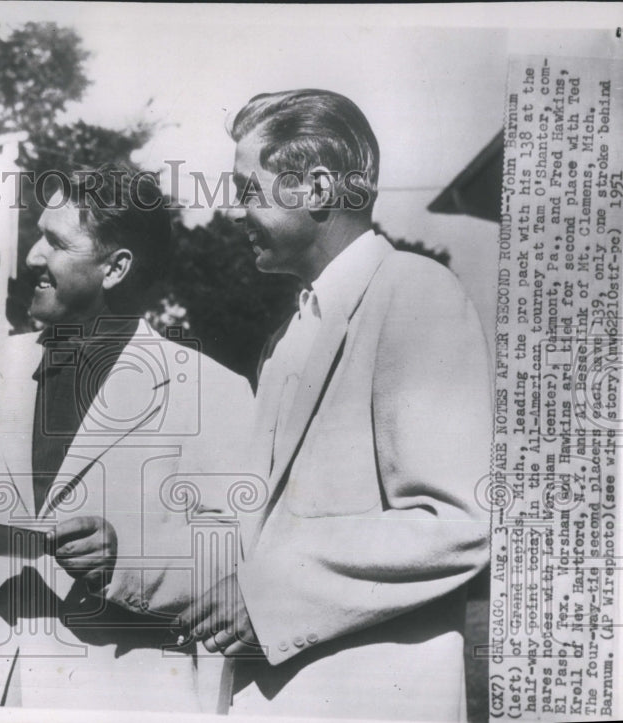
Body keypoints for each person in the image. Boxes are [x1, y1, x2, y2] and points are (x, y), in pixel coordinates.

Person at [177, 89, 493, 719]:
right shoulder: (289, 332)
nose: (235, 212)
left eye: (248, 189)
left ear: (316, 188)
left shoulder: (415, 291)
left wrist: (271, 593)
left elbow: (458, 522)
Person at [0, 162, 256, 712]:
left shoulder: (213, 390)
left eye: (55, 243)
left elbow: (235, 552)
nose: (31, 257)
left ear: (115, 268)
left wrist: (125, 560)